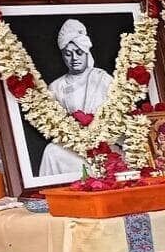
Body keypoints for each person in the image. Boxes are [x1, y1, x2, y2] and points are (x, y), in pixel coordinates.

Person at [38, 19, 113, 176]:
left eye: (78, 52)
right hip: (74, 148)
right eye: (68, 54)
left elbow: (118, 118)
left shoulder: (103, 79)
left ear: (86, 52)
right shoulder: (56, 87)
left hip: (105, 144)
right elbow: (55, 126)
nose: (74, 59)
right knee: (52, 151)